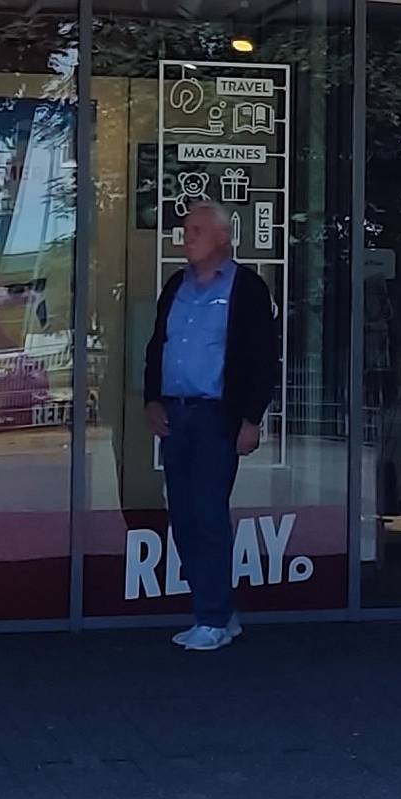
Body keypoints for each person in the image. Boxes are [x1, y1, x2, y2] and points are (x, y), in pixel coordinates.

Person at [141, 200, 280, 653]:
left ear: (223, 237)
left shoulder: (247, 288)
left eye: (198, 229)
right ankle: (217, 608)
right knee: (182, 515)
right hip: (176, 413)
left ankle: (212, 617)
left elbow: (262, 358)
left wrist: (251, 418)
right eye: (185, 230)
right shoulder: (176, 286)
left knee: (208, 513)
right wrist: (152, 399)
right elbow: (156, 345)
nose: (188, 237)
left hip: (218, 416)